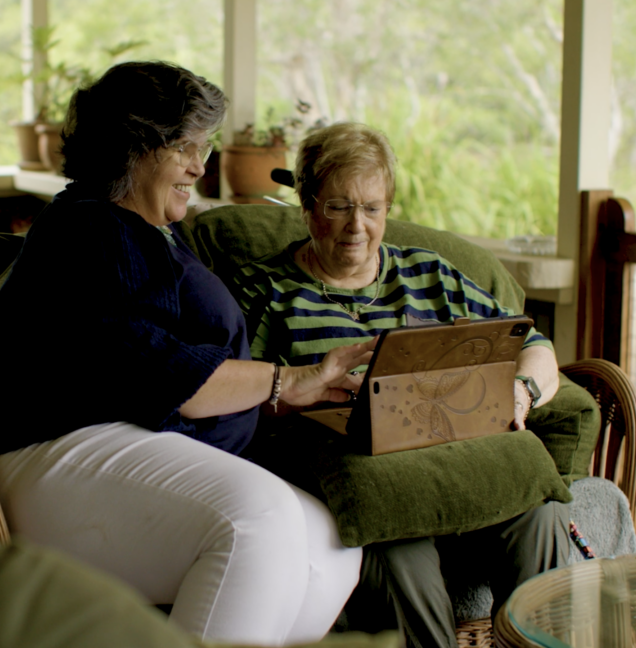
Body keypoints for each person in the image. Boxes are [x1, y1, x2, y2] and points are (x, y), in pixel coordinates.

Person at [0, 62, 378, 647]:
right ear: (134, 147)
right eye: (187, 147)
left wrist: (290, 390)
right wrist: (285, 378)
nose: (200, 166)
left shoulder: (156, 231)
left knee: (330, 537)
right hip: (49, 448)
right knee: (258, 519)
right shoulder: (90, 227)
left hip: (129, 444)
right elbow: (163, 375)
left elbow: (192, 384)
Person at [232, 122, 573, 648]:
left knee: (542, 512)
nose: (356, 227)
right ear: (306, 205)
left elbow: (536, 344)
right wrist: (305, 389)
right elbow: (235, 400)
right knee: (395, 548)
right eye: (338, 207)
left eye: (372, 208)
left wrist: (522, 390)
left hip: (456, 459)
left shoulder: (431, 275)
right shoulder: (264, 291)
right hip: (360, 483)